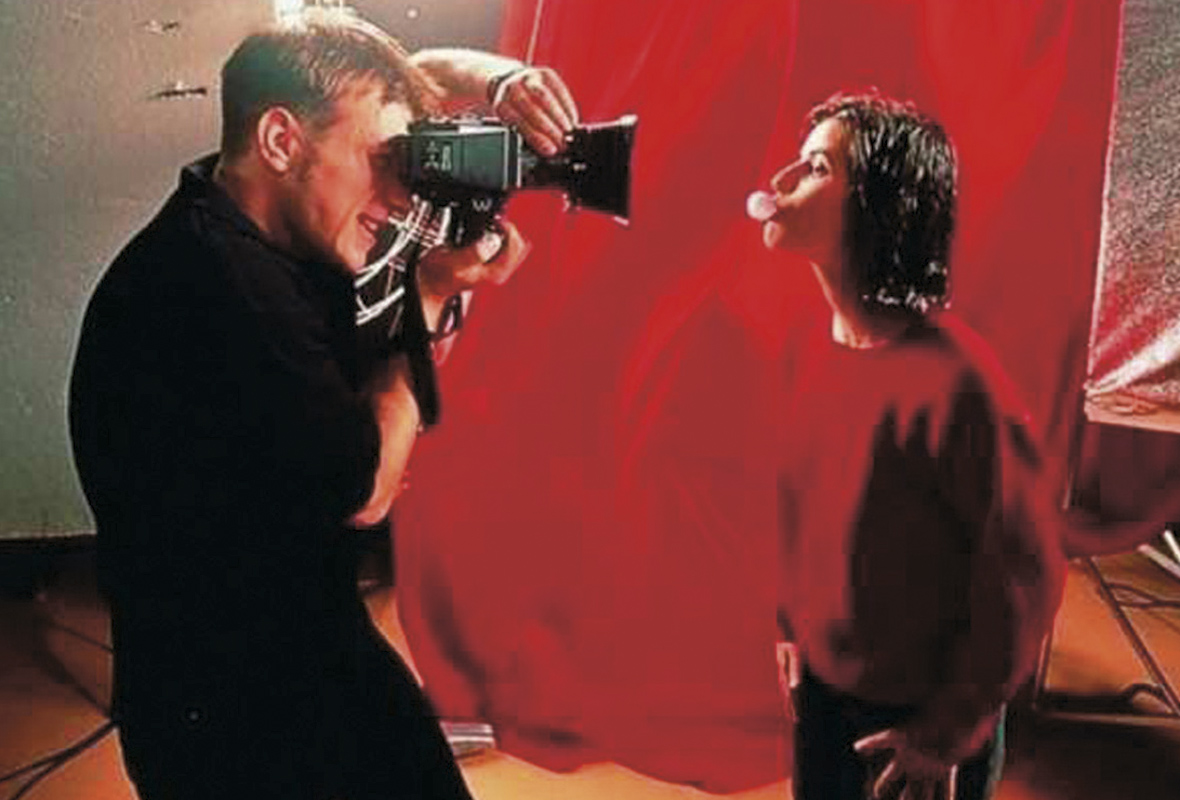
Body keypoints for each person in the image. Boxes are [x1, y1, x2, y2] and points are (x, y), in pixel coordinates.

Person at [67, 9, 578, 799]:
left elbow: (407, 75)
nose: (401, 192)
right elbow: (366, 489)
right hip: (241, 711)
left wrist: (503, 84)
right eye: (382, 158)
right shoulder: (232, 292)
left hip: (269, 650)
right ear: (280, 139)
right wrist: (427, 299)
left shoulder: (230, 223)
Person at [756, 91, 1066, 800]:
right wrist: (791, 626)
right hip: (825, 695)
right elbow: (806, 509)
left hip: (919, 719)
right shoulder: (809, 348)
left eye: (816, 167)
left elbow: (1025, 576)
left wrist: (948, 732)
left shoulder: (961, 388)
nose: (779, 182)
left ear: (878, 205)